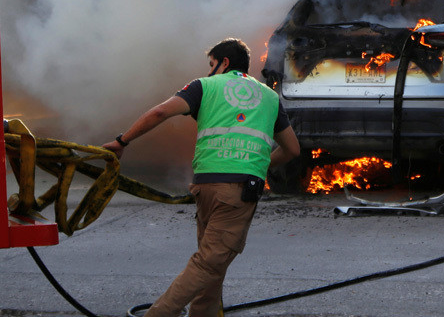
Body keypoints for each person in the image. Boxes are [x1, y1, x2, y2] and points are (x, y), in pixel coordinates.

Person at [102, 38, 300, 317]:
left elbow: (160, 112)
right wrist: (257, 162)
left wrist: (122, 141)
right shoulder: (268, 97)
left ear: (224, 63)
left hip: (205, 187)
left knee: (211, 264)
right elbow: (292, 149)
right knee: (209, 264)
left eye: (211, 64)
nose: (208, 70)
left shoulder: (203, 86)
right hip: (239, 192)